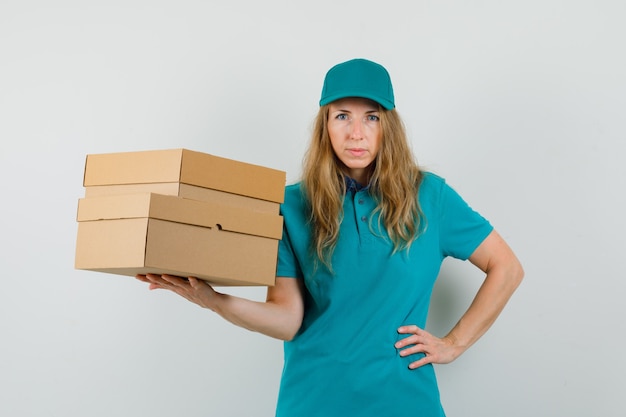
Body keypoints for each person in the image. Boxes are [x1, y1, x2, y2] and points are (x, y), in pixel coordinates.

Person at [136, 58, 524, 416]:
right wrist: (214, 300)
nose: (356, 133)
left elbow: (506, 267)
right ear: (325, 124)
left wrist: (454, 343)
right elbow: (287, 319)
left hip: (404, 403)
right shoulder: (290, 205)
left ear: (388, 124)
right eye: (342, 116)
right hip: (313, 402)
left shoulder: (430, 197)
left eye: (371, 117)